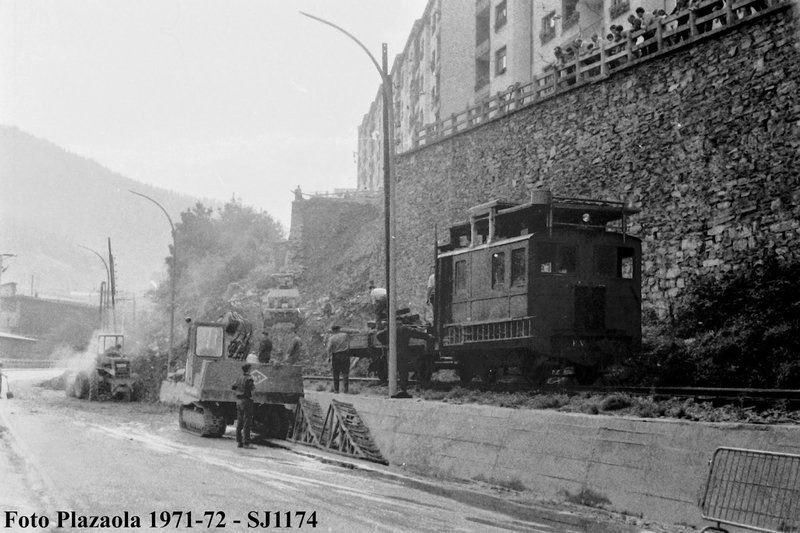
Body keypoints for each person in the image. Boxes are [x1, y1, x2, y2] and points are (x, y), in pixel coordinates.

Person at [231, 363, 255, 449]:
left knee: (240, 421)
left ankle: (239, 441)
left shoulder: (239, 377)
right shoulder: (249, 379)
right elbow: (252, 389)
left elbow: (233, 387)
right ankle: (246, 443)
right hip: (246, 401)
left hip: (239, 401)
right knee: (247, 422)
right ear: (249, 370)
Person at [326, 325, 350, 394]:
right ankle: (346, 390)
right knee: (345, 373)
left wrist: (328, 357)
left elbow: (329, 348)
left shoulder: (331, 338)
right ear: (339, 329)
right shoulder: (345, 335)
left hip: (336, 356)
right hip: (345, 355)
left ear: (333, 330)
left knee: (336, 373)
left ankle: (336, 390)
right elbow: (348, 346)